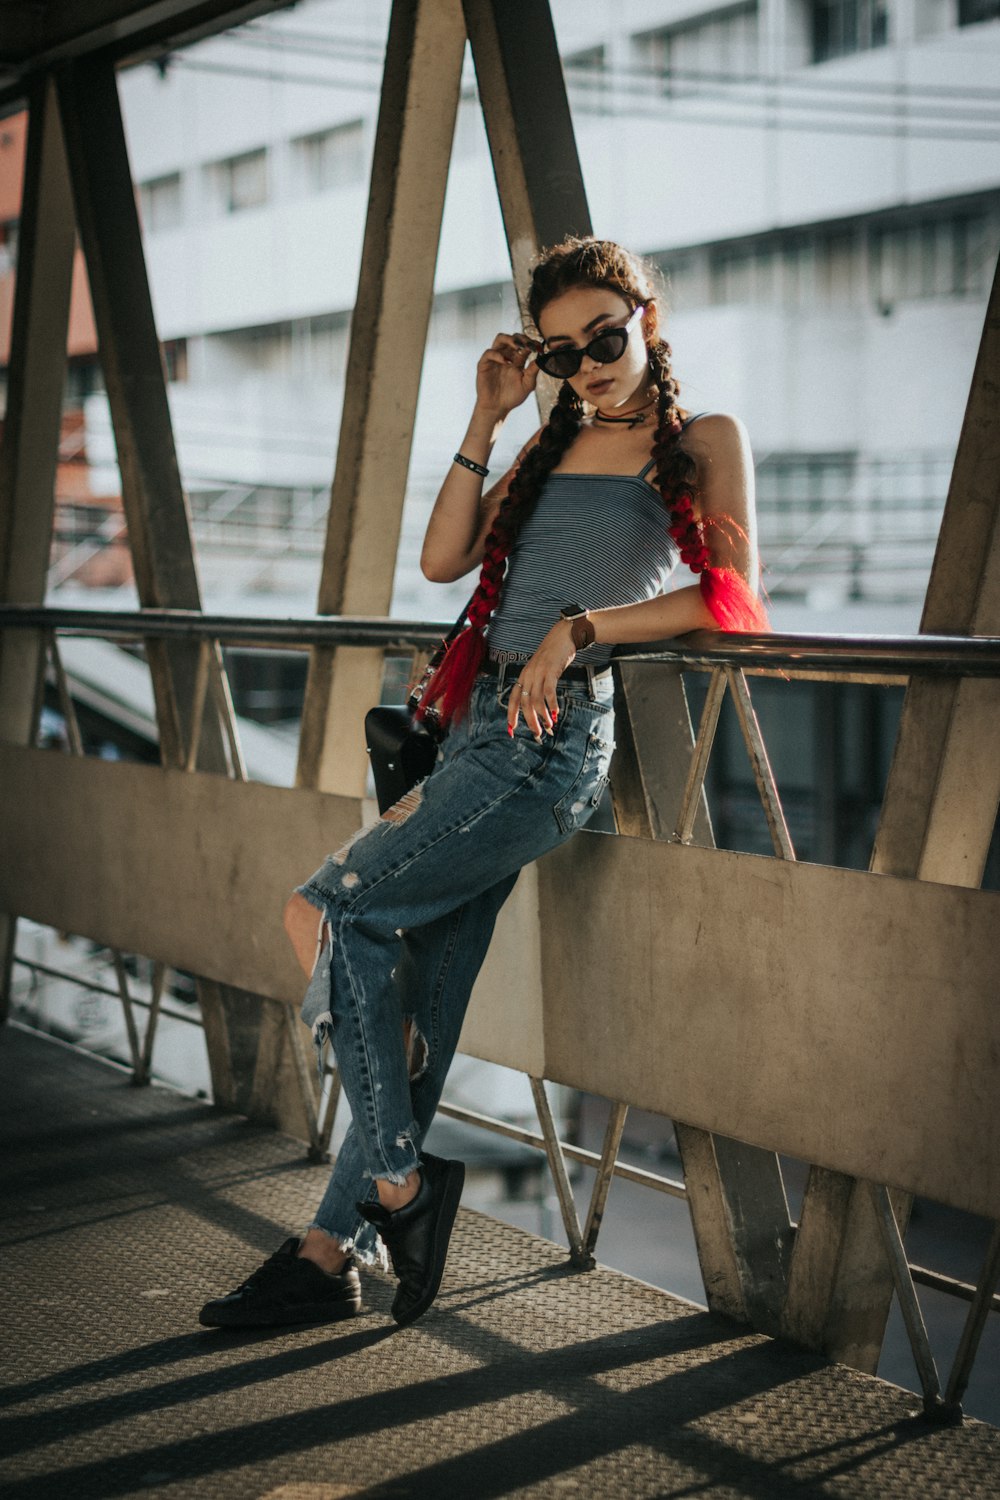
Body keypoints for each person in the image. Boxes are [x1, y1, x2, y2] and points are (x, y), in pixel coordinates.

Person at [199, 237, 767, 1332]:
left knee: (328, 910)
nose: (591, 365)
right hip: (472, 732)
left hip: (545, 745)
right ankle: (330, 1254)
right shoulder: (553, 441)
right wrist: (486, 417)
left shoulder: (700, 441)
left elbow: (734, 597)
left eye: (605, 338)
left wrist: (580, 628)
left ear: (645, 319)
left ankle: (405, 1188)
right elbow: (440, 561)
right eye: (564, 353)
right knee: (417, 1004)